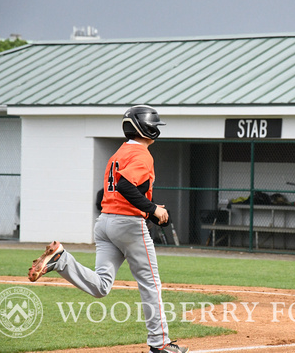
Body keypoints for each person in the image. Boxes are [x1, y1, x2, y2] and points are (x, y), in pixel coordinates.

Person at [27, 105, 189, 353]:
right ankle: (160, 343)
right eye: (154, 124)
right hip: (127, 225)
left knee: (102, 286)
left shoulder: (118, 154)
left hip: (105, 223)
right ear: (146, 128)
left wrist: (152, 212)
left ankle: (62, 260)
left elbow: (119, 192)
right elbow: (125, 186)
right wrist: (153, 209)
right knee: (150, 283)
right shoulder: (143, 155)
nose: (156, 128)